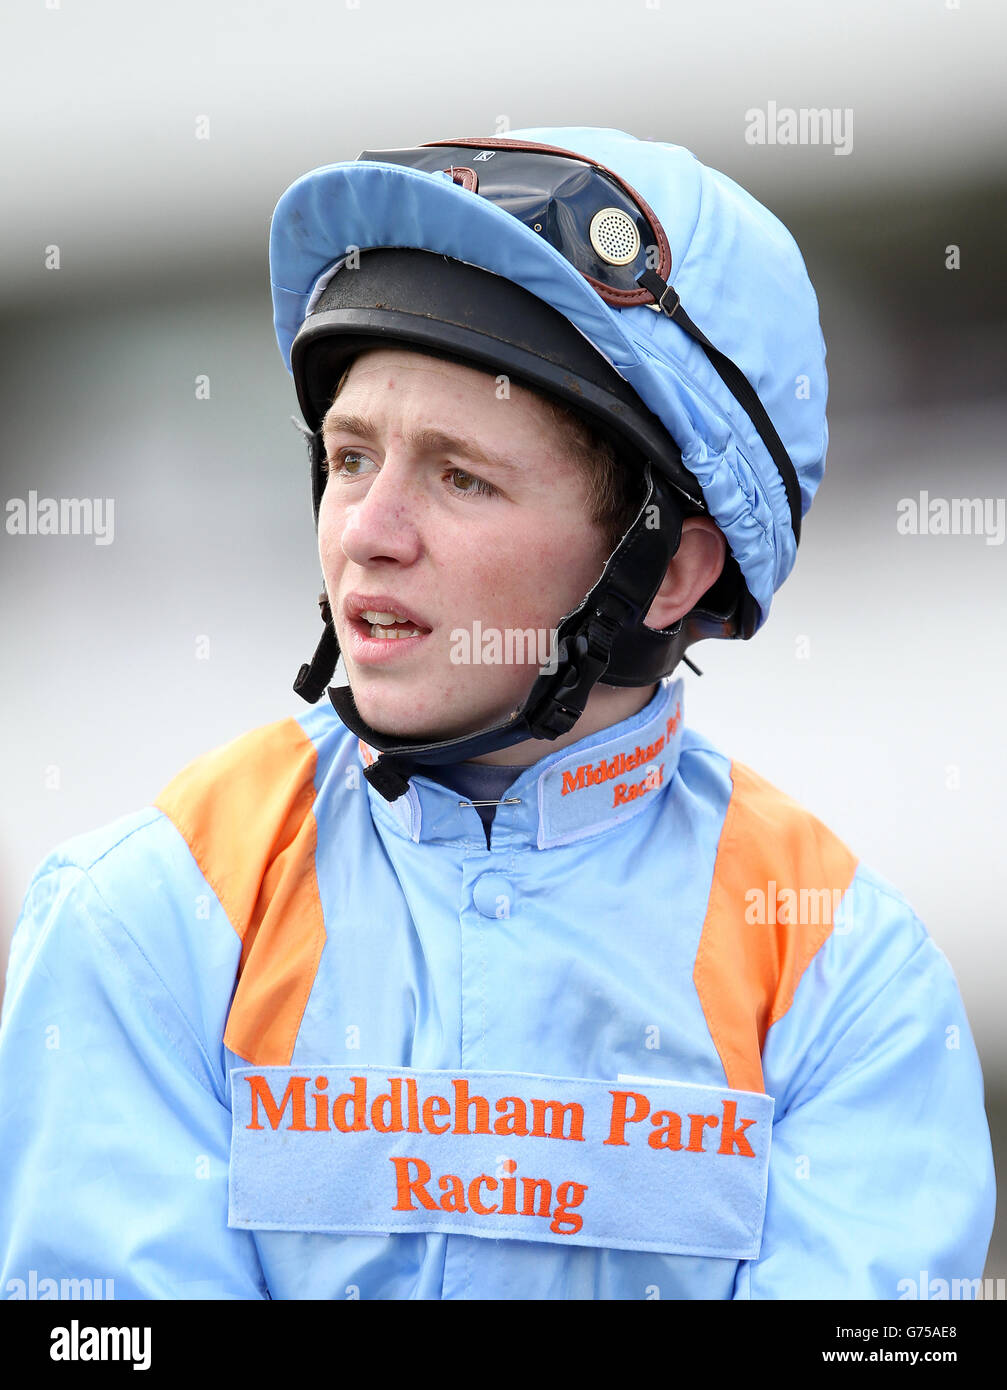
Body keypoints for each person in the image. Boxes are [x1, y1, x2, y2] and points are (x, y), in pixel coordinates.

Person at [0, 128, 995, 1301]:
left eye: (460, 477)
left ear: (667, 571)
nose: (367, 529)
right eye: (351, 455)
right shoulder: (146, 912)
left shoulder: (844, 973)